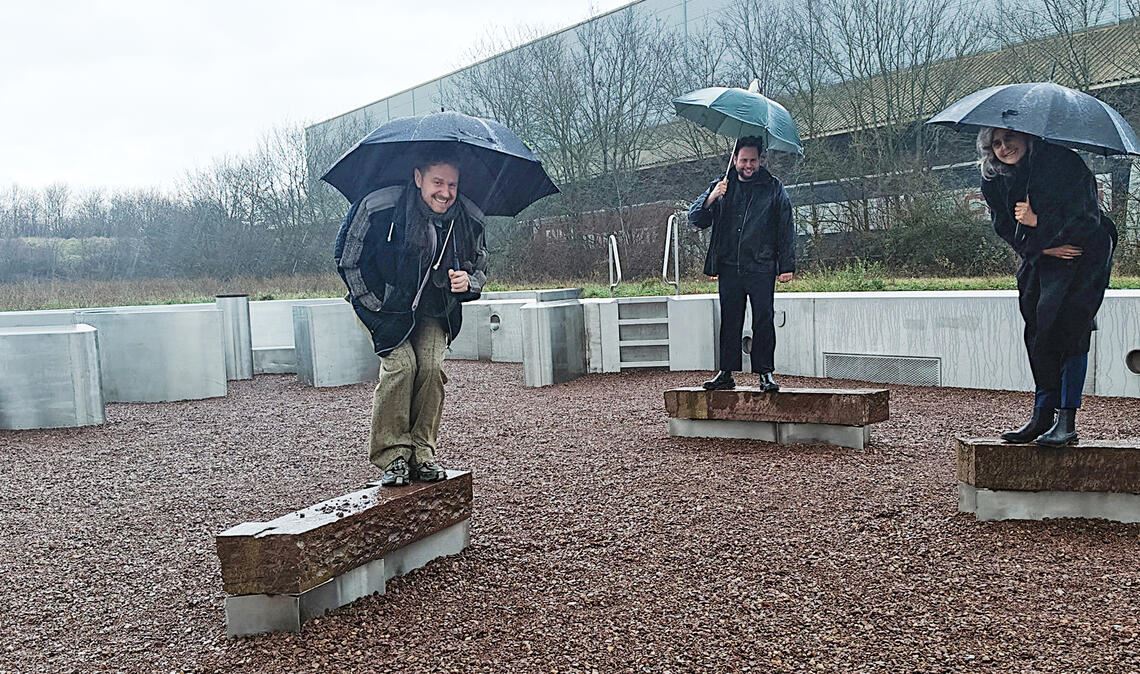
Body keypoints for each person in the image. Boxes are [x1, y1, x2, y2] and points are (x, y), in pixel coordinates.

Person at [334, 153, 488, 485]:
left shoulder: (468, 218)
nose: (446, 193)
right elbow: (347, 260)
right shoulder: (378, 207)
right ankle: (393, 457)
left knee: (431, 368)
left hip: (434, 309)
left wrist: (468, 282)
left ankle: (422, 453)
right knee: (402, 366)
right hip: (382, 305)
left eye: (452, 185)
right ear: (418, 178)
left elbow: (481, 266)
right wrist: (376, 303)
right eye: (437, 183)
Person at [978, 128, 1115, 446]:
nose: (1004, 147)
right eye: (996, 143)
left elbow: (1086, 219)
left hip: (1083, 256)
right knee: (1038, 333)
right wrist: (1042, 246)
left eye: (1010, 139)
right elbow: (1003, 225)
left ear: (1027, 137)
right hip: (1040, 257)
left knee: (1071, 329)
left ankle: (1066, 421)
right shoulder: (994, 177)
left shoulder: (1064, 164)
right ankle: (1042, 416)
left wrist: (1039, 223)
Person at [688, 137, 796, 392]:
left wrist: (786, 265)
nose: (748, 165)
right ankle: (725, 372)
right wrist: (711, 198)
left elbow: (785, 227)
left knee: (764, 318)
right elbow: (696, 219)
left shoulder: (773, 187)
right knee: (730, 319)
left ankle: (765, 373)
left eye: (753, 160)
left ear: (760, 160)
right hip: (729, 266)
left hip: (761, 264)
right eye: (744, 160)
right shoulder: (722, 185)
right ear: (735, 159)